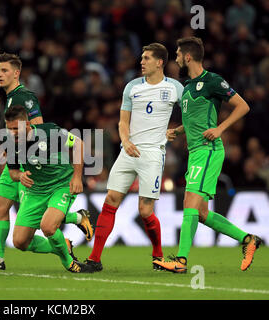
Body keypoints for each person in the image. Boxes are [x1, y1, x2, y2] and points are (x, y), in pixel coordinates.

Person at [0, 53, 93, 271]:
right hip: (18, 160)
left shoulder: (24, 96)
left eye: (5, 71)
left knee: (41, 221)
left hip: (29, 162)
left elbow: (38, 126)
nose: (0, 74)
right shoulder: (11, 99)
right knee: (0, 207)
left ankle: (73, 222)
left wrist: (28, 162)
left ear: (16, 73)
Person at [154, 37, 262, 273]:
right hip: (195, 152)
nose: (176, 58)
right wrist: (178, 130)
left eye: (178, 54)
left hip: (208, 150)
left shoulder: (212, 81)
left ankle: (180, 261)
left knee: (189, 204)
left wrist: (220, 128)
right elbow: (193, 121)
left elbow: (243, 106)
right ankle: (248, 239)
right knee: (201, 212)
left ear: (188, 56)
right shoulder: (188, 87)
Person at [84, 43, 184, 272]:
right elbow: (123, 121)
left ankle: (158, 254)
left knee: (145, 210)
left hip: (152, 154)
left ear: (160, 62)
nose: (142, 61)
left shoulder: (175, 88)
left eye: (147, 58)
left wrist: (178, 131)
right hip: (128, 151)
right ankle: (94, 259)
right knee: (110, 200)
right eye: (142, 58)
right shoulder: (131, 87)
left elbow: (192, 114)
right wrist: (126, 141)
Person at [3, 105, 93, 273]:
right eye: (9, 129)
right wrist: (19, 176)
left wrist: (77, 177)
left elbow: (78, 143)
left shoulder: (50, 132)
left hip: (60, 185)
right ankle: (69, 234)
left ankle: (69, 263)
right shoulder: (10, 143)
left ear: (27, 124)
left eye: (16, 128)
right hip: (35, 191)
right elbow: (13, 172)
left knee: (48, 226)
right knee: (20, 242)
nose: (13, 133)